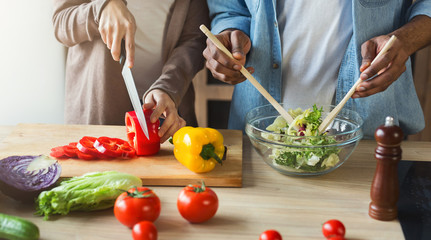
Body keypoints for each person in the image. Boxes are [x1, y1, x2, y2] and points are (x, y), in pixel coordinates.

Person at [203, 0, 431, 139]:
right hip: (259, 132)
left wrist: (406, 40)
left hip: (369, 130)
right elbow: (230, 10)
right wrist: (229, 34)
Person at [52, 0, 209, 142]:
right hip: (99, 108)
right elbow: (60, 23)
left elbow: (193, 40)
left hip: (166, 109)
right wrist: (101, 9)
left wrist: (168, 87)